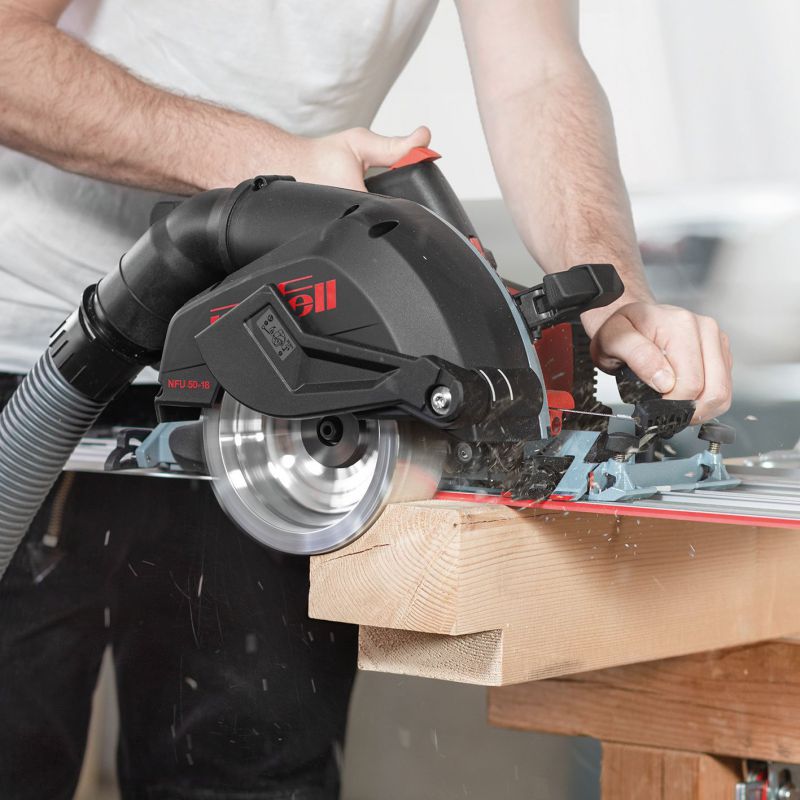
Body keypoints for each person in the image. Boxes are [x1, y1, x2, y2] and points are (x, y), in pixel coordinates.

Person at [0, 1, 733, 798]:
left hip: (289, 384)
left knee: (254, 772)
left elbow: (537, 76)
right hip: (33, 351)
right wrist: (268, 162)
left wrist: (616, 302)